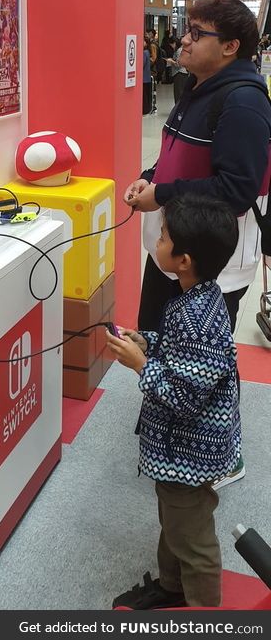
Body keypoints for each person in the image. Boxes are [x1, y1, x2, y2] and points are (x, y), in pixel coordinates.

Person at [124, 0, 271, 487]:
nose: (182, 39)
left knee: (202, 364)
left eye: (196, 32)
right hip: (171, 253)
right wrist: (151, 179)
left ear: (230, 46)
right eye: (187, 29)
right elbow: (177, 157)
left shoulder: (245, 102)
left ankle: (222, 457)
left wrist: (162, 193)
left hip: (210, 263)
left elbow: (234, 190)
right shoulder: (198, 87)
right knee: (161, 344)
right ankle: (170, 430)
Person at [107, 195, 241, 610]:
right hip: (176, 452)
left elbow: (184, 396)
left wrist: (140, 364)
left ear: (183, 259)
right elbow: (182, 356)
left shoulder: (198, 318)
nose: (157, 241)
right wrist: (148, 342)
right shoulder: (192, 295)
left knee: (193, 536)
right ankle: (171, 585)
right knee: (174, 519)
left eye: (163, 237)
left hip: (191, 452)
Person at [142, 35, 152, 115]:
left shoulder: (144, 53)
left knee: (144, 96)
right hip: (147, 77)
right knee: (147, 95)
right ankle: (147, 109)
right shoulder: (148, 52)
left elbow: (141, 64)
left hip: (143, 78)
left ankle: (145, 110)